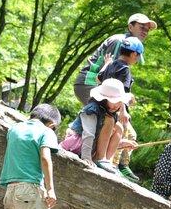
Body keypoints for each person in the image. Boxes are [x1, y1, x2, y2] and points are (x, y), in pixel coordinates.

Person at [73, 13, 155, 104]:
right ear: (130, 27)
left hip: (98, 84)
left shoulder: (133, 47)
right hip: (89, 82)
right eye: (142, 27)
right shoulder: (119, 41)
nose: (145, 32)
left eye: (147, 30)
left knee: (113, 111)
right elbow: (109, 75)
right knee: (112, 110)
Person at [60, 78, 135, 173]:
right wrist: (86, 157)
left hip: (91, 145)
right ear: (104, 99)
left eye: (119, 102)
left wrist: (122, 143)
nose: (116, 105)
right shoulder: (92, 110)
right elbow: (89, 133)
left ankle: (107, 161)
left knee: (119, 126)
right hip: (78, 144)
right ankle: (100, 158)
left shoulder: (110, 113)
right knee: (110, 120)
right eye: (113, 101)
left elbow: (103, 139)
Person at [97, 37, 143, 181]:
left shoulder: (113, 64)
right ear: (134, 54)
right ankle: (117, 165)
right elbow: (121, 92)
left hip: (105, 103)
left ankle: (117, 164)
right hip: (117, 107)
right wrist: (123, 111)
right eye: (138, 57)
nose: (137, 60)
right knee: (126, 134)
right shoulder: (125, 69)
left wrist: (106, 64)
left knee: (126, 134)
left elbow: (99, 78)